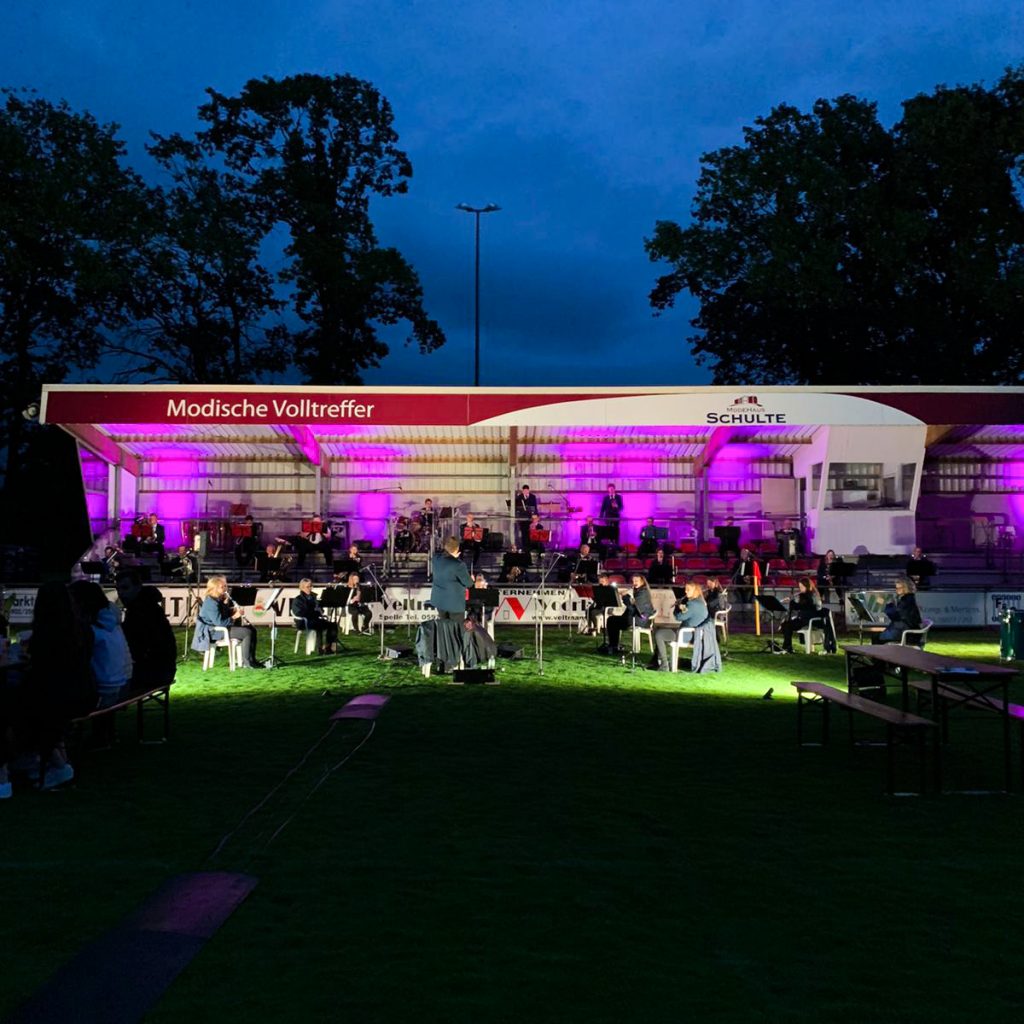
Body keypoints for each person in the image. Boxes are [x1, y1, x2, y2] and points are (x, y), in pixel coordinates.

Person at [18, 581, 96, 788]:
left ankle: (56, 764)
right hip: (84, 692)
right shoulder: (82, 628)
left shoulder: (47, 633)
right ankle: (43, 760)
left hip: (61, 697)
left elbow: (42, 669)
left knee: (25, 708)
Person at [68, 580, 133, 708]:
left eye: (71, 601)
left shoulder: (92, 629)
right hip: (119, 682)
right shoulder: (110, 623)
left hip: (105, 688)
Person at [114, 570, 177, 693]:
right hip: (160, 670)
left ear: (137, 587)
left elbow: (133, 643)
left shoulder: (142, 610)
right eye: (118, 589)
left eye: (125, 588)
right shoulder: (144, 606)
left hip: (154, 672)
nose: (120, 593)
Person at [192, 576, 259, 667]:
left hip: (219, 629)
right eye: (222, 587)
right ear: (215, 588)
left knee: (252, 629)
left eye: (225, 586)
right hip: (213, 632)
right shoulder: (211, 603)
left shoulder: (217, 600)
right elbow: (220, 623)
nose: (225, 588)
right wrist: (235, 616)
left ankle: (252, 660)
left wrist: (231, 609)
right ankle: (247, 663)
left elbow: (223, 614)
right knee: (247, 632)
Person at [653, 581, 709, 671]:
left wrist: (676, 607)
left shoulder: (692, 604)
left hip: (687, 635)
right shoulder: (701, 603)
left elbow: (679, 617)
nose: (685, 591)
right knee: (665, 631)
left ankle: (664, 664)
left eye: (688, 590)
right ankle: (664, 661)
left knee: (659, 634)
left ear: (695, 591)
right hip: (697, 634)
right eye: (685, 589)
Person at [602, 574, 653, 655]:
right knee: (612, 620)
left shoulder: (643, 593)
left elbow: (633, 608)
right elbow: (632, 605)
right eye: (633, 581)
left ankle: (613, 646)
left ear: (642, 582)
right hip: (636, 617)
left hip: (640, 619)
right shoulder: (639, 591)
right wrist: (627, 596)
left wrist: (625, 597)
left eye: (636, 581)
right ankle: (614, 646)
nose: (634, 583)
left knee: (612, 621)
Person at [431, 535, 474, 622]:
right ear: (457, 549)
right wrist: (472, 579)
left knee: (444, 627)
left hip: (440, 601)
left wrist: (453, 556)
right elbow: (469, 583)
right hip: (454, 603)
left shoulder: (435, 559)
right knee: (456, 628)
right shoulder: (458, 565)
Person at [293, 578, 339, 653]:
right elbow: (299, 613)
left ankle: (329, 647)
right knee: (319, 625)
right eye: (308, 587)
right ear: (302, 588)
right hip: (303, 622)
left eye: (311, 586)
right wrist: (314, 612)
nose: (310, 588)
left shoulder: (313, 597)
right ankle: (319, 648)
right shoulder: (298, 599)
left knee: (333, 625)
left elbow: (319, 609)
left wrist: (320, 610)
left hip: (314, 619)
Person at [874, 577, 923, 645]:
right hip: (907, 631)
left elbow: (896, 616)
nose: (897, 590)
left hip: (908, 634)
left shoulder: (906, 600)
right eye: (896, 588)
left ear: (906, 588)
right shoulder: (908, 598)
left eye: (899, 588)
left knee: (876, 638)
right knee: (877, 637)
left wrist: (885, 604)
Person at [780, 578, 823, 654]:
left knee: (787, 625)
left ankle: (787, 647)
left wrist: (792, 602)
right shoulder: (811, 594)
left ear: (807, 586)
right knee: (786, 624)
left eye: (802, 587)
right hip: (806, 619)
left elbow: (801, 606)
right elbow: (801, 607)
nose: (801, 589)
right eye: (800, 587)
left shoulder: (810, 596)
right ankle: (787, 647)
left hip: (809, 620)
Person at [514, 484, 538, 552]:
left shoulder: (533, 497)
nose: (525, 492)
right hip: (522, 518)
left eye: (527, 491)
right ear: (522, 491)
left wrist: (536, 516)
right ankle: (524, 547)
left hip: (530, 518)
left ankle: (530, 547)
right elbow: (517, 508)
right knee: (523, 533)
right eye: (524, 491)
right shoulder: (519, 497)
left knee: (530, 533)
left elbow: (535, 507)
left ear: (528, 490)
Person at [600, 484, 623, 549]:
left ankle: (616, 543)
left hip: (616, 516)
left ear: (614, 489)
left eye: (612, 489)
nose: (611, 490)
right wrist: (601, 516)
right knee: (608, 529)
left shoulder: (619, 497)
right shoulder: (606, 498)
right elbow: (603, 508)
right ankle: (609, 544)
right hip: (608, 516)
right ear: (608, 490)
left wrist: (617, 507)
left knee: (616, 529)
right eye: (610, 489)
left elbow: (621, 507)